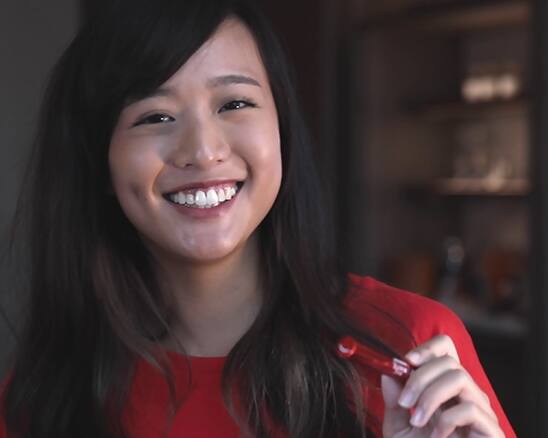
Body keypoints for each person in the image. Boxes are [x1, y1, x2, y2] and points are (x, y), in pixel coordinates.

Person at [0, 0, 515, 437]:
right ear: (99, 163)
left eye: (235, 103)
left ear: (283, 131)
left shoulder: (410, 346)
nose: (203, 151)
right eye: (154, 116)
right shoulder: (41, 399)